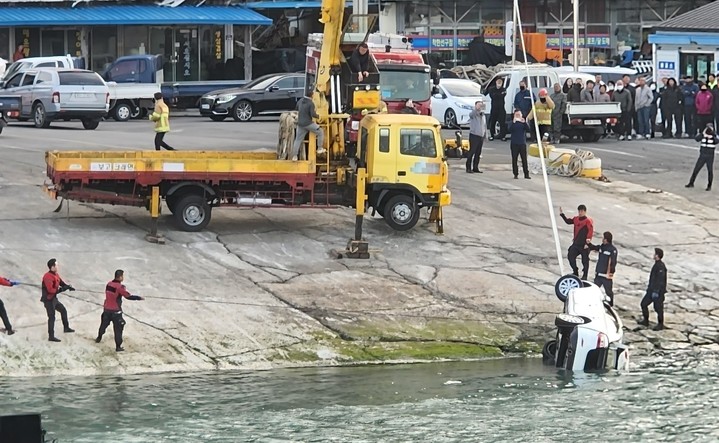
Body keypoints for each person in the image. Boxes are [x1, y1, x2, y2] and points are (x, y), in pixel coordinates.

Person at [96, 270, 144, 352]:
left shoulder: (109, 284)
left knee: (103, 325)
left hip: (107, 309)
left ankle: (99, 338)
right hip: (116, 311)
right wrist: (138, 298)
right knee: (118, 329)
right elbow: (128, 296)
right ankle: (118, 346)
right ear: (120, 277)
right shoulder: (120, 287)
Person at [41, 258, 75, 342]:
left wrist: (68, 287)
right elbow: (50, 290)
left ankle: (66, 328)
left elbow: (61, 283)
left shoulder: (56, 274)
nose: (58, 266)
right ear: (52, 267)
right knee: (52, 317)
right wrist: (62, 290)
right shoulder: (47, 276)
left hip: (54, 299)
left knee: (63, 310)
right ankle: (51, 336)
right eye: (56, 265)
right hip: (48, 300)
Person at [559, 204, 594, 280]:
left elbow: (590, 231)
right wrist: (562, 214)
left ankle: (585, 275)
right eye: (579, 211)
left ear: (585, 211)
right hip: (576, 243)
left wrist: (588, 241)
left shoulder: (588, 221)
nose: (580, 212)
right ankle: (575, 271)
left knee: (585, 260)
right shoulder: (576, 219)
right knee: (570, 256)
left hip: (584, 245)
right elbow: (568, 221)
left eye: (582, 211)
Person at [638, 248, 668, 330]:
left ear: (657, 256)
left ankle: (660, 324)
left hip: (657, 292)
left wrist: (657, 291)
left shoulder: (661, 266)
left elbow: (660, 280)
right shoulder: (656, 265)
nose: (653, 255)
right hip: (651, 290)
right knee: (643, 304)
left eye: (655, 254)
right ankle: (645, 321)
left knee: (658, 308)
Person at [291, 95, 325, 161]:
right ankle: (320, 148)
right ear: (312, 95)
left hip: (300, 124)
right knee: (320, 132)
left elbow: (296, 109)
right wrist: (319, 116)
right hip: (308, 123)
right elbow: (313, 114)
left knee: (298, 140)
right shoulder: (310, 103)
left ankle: (294, 156)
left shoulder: (300, 101)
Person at [587, 232, 618, 306]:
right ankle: (592, 303)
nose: (602, 239)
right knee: (594, 289)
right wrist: (589, 244)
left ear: (606, 239)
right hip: (598, 274)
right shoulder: (602, 247)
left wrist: (611, 273)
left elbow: (613, 262)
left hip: (606, 275)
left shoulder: (612, 250)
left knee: (609, 292)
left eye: (603, 238)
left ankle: (611, 305)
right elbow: (594, 248)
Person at [686, 123, 716, 191]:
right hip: (702, 155)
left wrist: (712, 135)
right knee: (696, 169)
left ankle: (709, 186)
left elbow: (717, 141)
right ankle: (691, 183)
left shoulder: (714, 135)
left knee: (710, 171)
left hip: (710, 156)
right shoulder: (703, 135)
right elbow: (697, 139)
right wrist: (703, 134)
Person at [508, 109, 530, 179]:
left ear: (521, 115)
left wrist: (524, 123)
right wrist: (514, 122)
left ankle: (526, 174)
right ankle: (515, 174)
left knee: (524, 159)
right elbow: (509, 130)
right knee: (514, 159)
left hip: (522, 143)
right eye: (516, 115)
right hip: (514, 143)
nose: (518, 116)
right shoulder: (512, 123)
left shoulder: (523, 123)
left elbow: (528, 129)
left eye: (519, 115)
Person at [466, 98, 487, 173]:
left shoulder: (482, 115)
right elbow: (471, 114)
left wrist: (485, 135)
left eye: (481, 105)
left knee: (478, 153)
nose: (480, 107)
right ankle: (468, 167)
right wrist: (476, 109)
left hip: (480, 135)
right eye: (479, 105)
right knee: (472, 151)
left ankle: (475, 167)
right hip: (474, 135)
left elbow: (484, 125)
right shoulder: (474, 114)